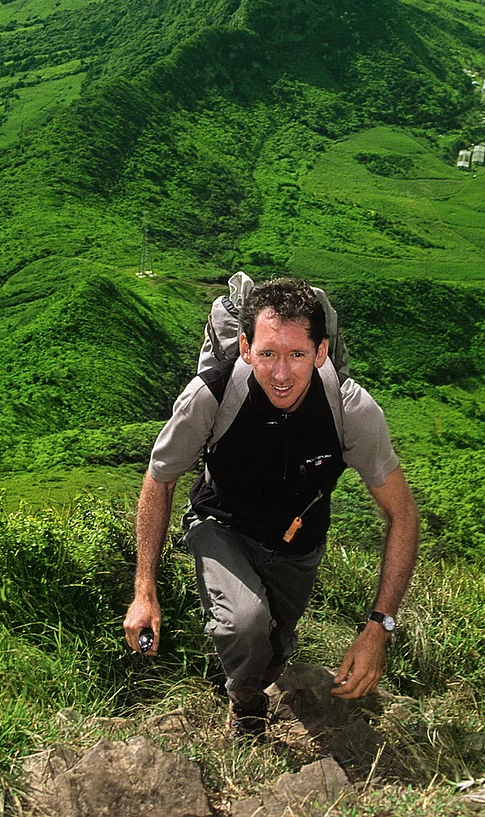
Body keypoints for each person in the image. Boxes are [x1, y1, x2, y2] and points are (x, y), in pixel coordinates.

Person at [123, 277, 419, 737]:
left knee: (275, 645)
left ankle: (263, 668)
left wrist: (379, 628)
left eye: (297, 354)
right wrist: (145, 591)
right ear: (244, 348)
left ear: (321, 352)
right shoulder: (211, 395)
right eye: (268, 354)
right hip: (221, 523)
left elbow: (402, 513)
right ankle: (244, 702)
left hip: (299, 543)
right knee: (245, 623)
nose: (281, 374)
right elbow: (160, 478)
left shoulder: (349, 409)